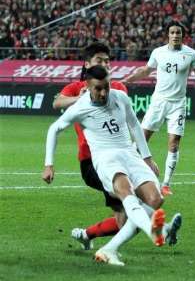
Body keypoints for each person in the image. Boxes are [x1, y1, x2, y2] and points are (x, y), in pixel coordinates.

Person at [53, 42, 182, 251]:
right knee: (134, 200)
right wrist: (81, 98)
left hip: (119, 157)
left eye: (107, 61)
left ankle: (86, 235)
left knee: (125, 219)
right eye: (99, 60)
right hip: (91, 163)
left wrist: (145, 157)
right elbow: (57, 102)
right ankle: (163, 229)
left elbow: (129, 123)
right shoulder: (77, 89)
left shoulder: (117, 89)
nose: (105, 64)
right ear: (87, 64)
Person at [43, 65, 167, 266]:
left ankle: (110, 249)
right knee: (126, 192)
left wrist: (147, 157)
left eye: (106, 87)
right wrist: (49, 164)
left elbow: (135, 125)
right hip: (105, 158)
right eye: (98, 88)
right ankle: (153, 230)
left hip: (130, 154)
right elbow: (54, 129)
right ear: (88, 87)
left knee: (155, 199)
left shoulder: (120, 97)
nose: (103, 93)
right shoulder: (80, 108)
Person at [121, 21, 195, 196]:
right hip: (159, 102)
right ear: (168, 35)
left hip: (178, 104)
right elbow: (146, 71)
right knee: (142, 139)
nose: (175, 35)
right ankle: (129, 176)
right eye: (172, 32)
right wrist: (128, 80)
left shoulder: (191, 54)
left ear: (182, 35)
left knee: (174, 143)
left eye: (178, 32)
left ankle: (166, 184)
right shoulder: (158, 52)